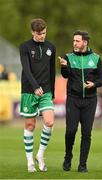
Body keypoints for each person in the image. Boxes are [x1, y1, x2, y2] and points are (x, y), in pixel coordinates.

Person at [59, 30, 102, 172]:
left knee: (86, 133)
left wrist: (94, 84)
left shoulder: (96, 58)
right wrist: (64, 66)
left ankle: (82, 164)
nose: (74, 43)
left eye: (77, 41)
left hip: (90, 101)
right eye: (73, 41)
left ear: (85, 42)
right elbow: (65, 76)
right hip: (73, 99)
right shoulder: (68, 57)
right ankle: (68, 157)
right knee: (71, 131)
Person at [19, 18, 56, 173]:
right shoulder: (24, 47)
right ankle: (30, 162)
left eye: (44, 33)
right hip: (29, 90)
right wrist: (35, 87)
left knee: (49, 122)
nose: (42, 36)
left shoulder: (51, 47)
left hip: (46, 91)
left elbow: (52, 70)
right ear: (33, 32)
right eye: (39, 34)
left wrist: (52, 91)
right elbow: (26, 69)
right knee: (30, 125)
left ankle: (40, 155)